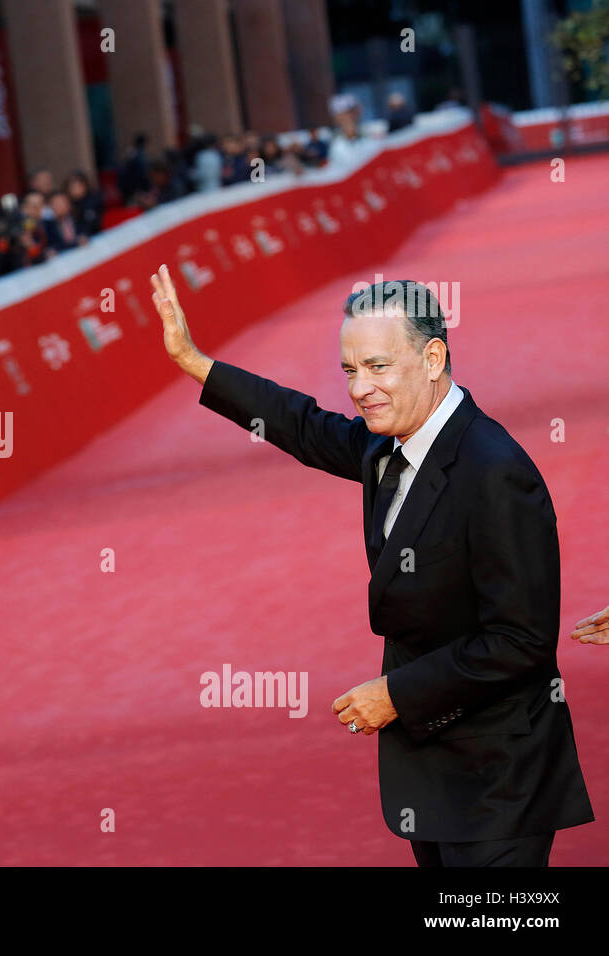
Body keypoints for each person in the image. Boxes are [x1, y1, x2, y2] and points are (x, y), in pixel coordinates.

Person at [149, 268, 593, 866]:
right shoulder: (386, 447)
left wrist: (396, 695)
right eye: (351, 371)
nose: (361, 389)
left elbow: (521, 641)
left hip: (500, 778)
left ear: (433, 358)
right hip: (433, 771)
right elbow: (303, 424)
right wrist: (195, 362)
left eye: (379, 367)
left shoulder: (494, 471)